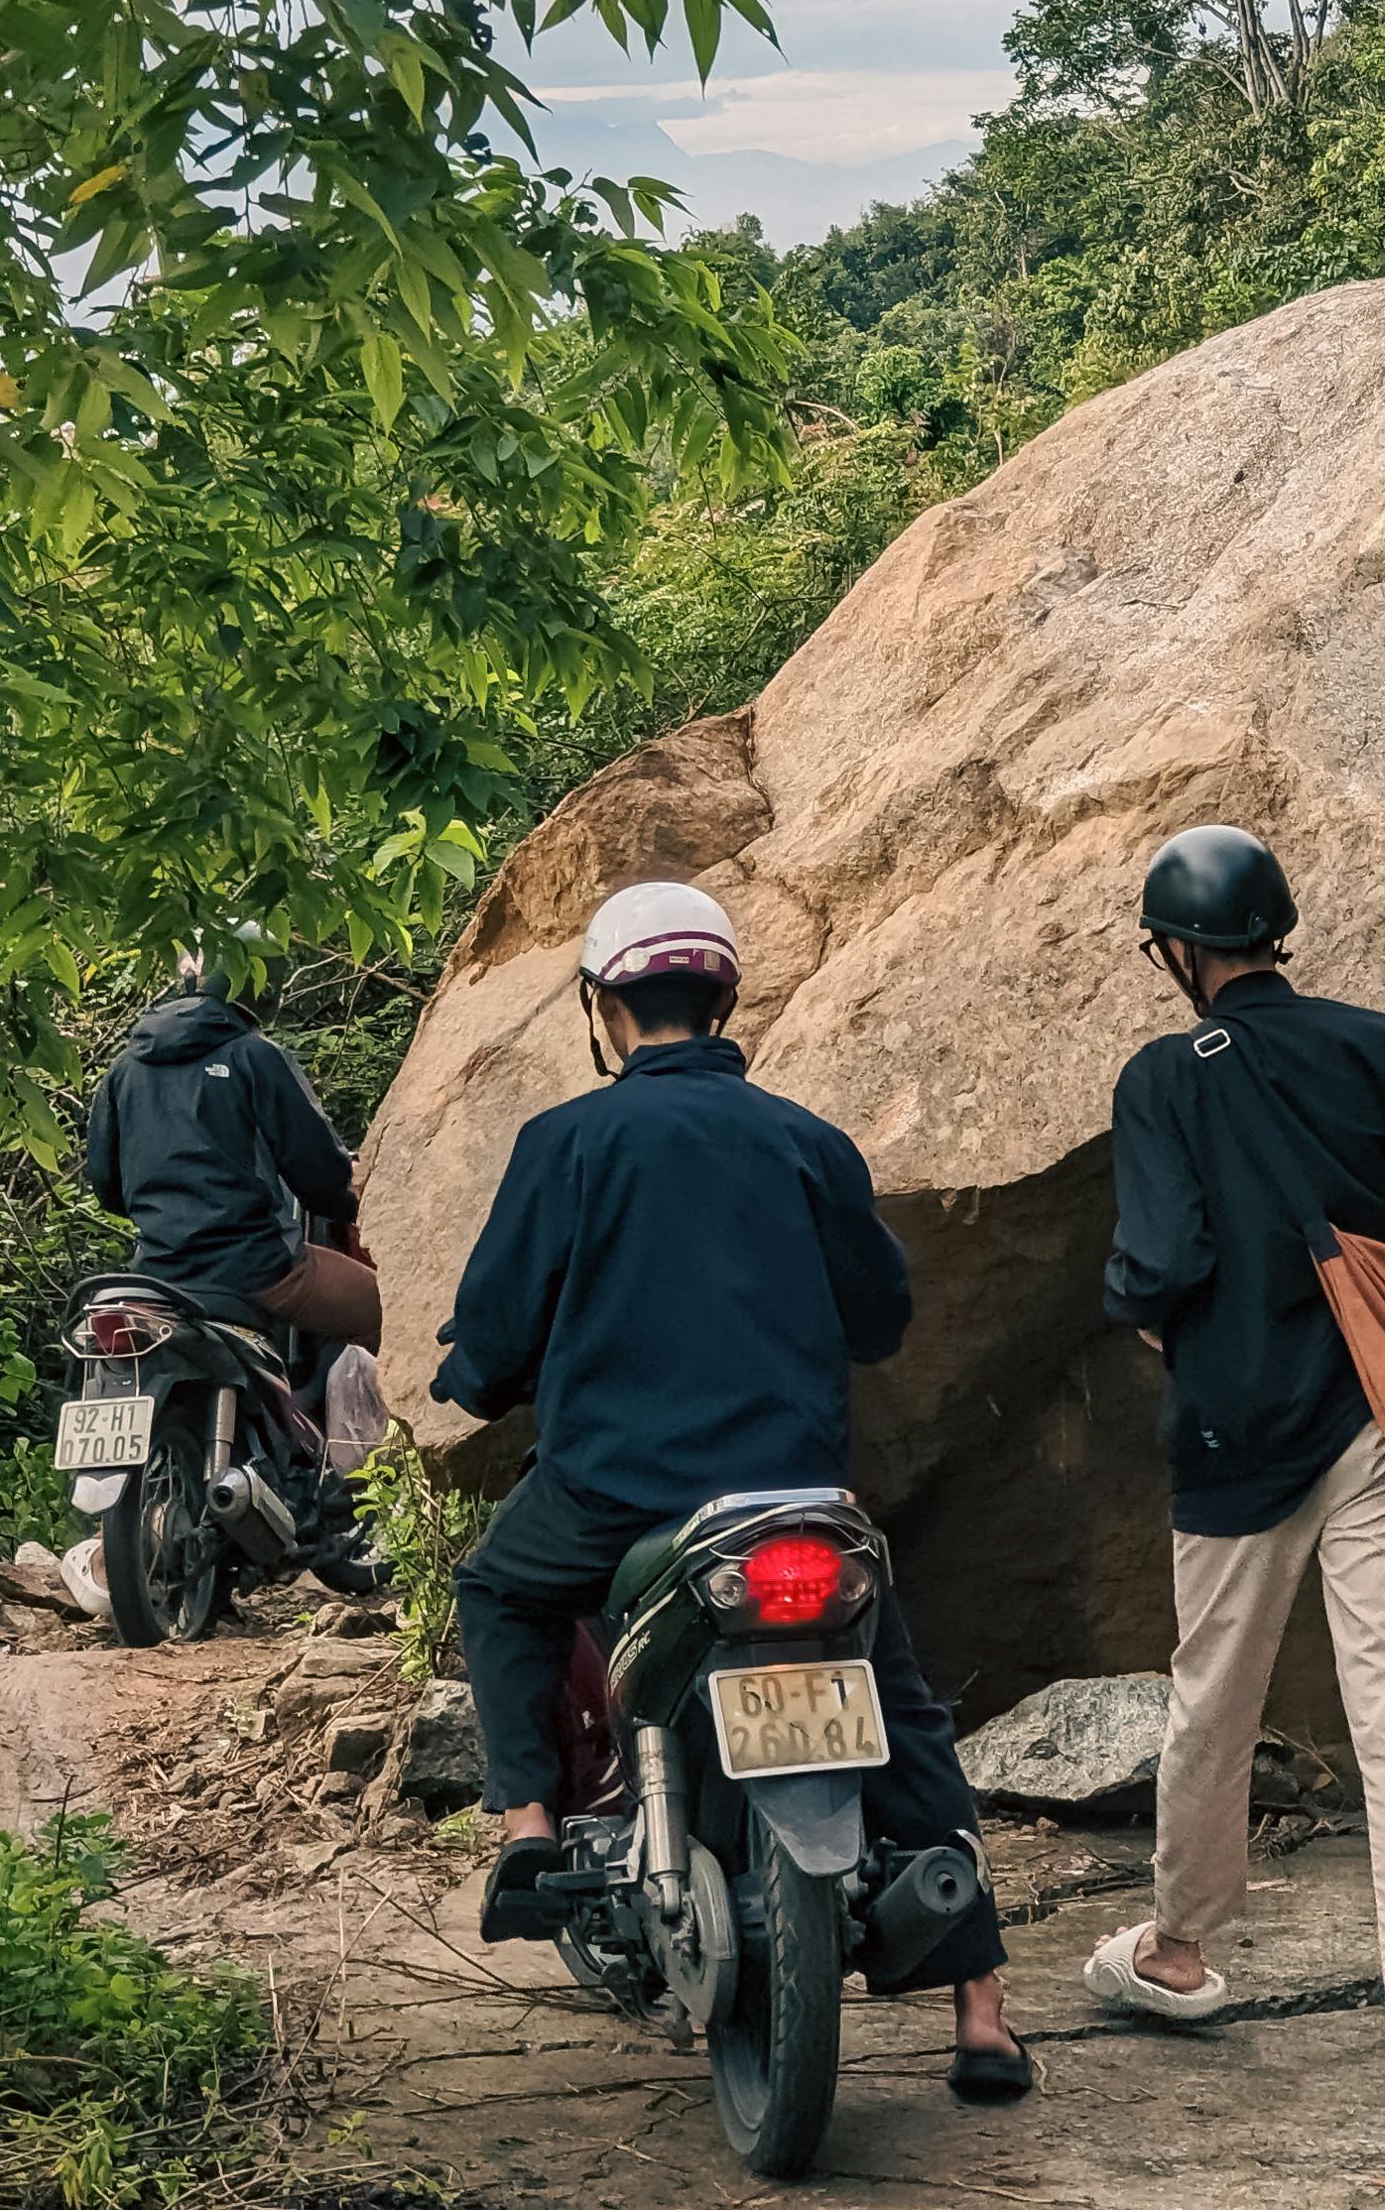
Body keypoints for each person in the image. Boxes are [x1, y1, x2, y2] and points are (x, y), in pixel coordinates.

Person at [435, 879, 1031, 2108]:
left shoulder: (567, 1144)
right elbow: (880, 1320)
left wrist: (478, 1371)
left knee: (498, 1590)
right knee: (900, 1701)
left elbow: (492, 1348)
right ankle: (983, 2011)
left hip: (617, 1495)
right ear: (723, 999)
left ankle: (528, 1830)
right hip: (795, 1500)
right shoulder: (808, 1140)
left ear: (604, 1007)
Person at [1086, 825, 1385, 2115]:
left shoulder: (1159, 1080)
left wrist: (1139, 1305)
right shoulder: (1383, 1050)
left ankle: (1181, 1949)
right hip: (1378, 1420)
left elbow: (1166, 1259)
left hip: (1229, 1434)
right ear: (1276, 931)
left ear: (1179, 952)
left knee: (1214, 1698)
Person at [85, 931, 382, 1351]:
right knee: (393, 1307)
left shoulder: (124, 1069)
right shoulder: (253, 1055)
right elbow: (318, 1175)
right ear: (258, 980)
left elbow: (107, 1187)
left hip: (156, 1275)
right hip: (259, 1270)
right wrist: (351, 1202)